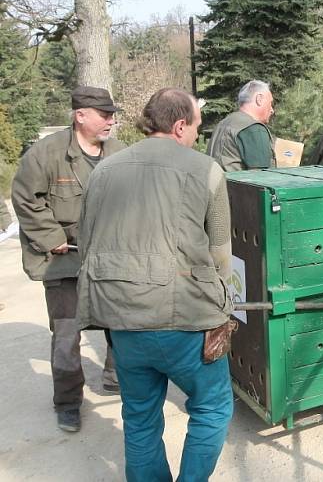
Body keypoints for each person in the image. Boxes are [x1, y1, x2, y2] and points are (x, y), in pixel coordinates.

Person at [77, 88, 234, 481]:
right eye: (196, 127)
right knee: (213, 408)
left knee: (140, 419)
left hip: (123, 321)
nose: (197, 136)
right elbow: (220, 254)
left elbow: (87, 241)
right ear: (180, 124)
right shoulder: (206, 170)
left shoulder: (103, 171)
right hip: (188, 322)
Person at [11, 86, 123, 432]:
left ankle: (115, 378)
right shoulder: (46, 154)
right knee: (66, 334)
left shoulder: (119, 153)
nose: (110, 121)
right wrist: (52, 237)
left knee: (121, 323)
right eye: (104, 115)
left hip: (108, 258)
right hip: (65, 261)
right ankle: (68, 401)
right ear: (80, 115)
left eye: (112, 114)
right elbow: (25, 198)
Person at [207, 79, 275, 171]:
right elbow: (262, 178)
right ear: (259, 99)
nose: (272, 110)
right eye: (270, 103)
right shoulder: (254, 128)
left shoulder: (223, 123)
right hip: (235, 185)